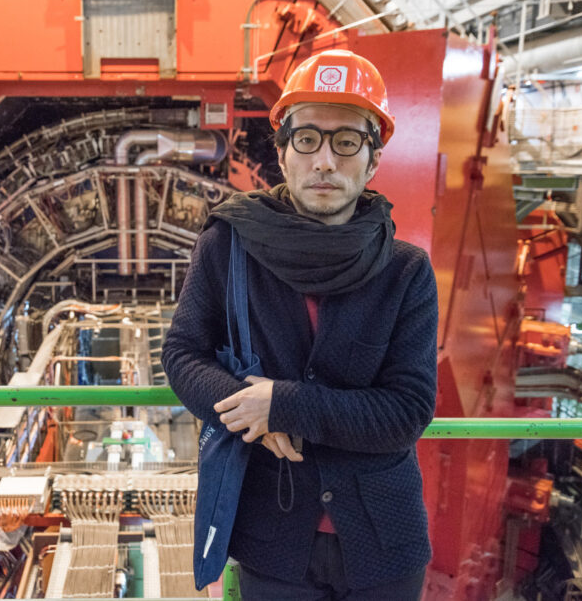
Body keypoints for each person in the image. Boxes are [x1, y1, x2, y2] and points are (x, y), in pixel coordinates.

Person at [161, 49, 438, 600]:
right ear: (283, 153)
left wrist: (284, 406)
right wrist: (249, 409)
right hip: (272, 538)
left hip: (384, 544)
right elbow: (183, 354)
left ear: (373, 158)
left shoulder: (405, 270)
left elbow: (406, 412)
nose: (325, 161)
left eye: (347, 141)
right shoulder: (229, 244)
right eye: (307, 139)